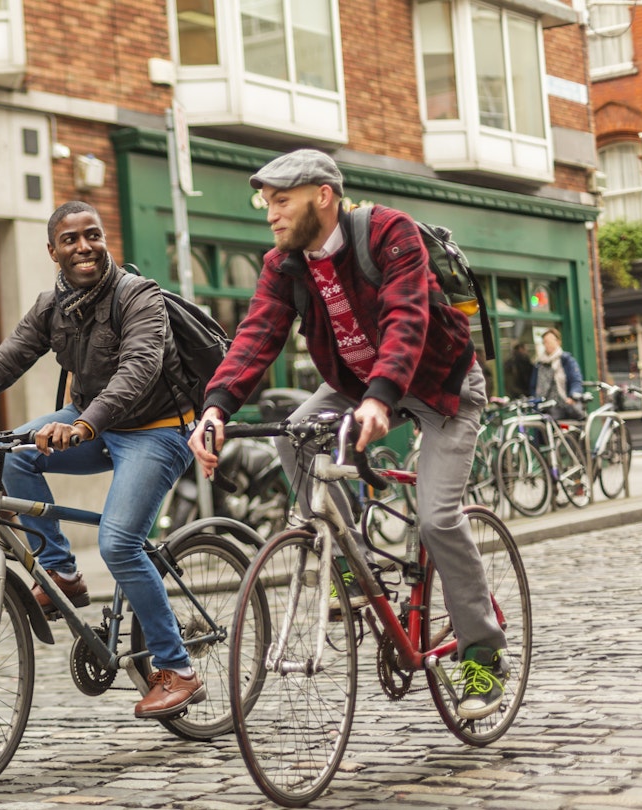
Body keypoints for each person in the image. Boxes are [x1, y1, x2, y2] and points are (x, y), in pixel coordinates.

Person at [186, 149, 510, 720]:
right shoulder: (285, 264)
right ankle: (352, 566)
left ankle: (482, 654)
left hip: (441, 388)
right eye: (267, 203)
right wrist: (214, 408)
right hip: (360, 387)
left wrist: (383, 396)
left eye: (282, 201)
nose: (272, 215)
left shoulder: (388, 232)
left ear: (323, 195)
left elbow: (406, 317)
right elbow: (257, 334)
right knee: (293, 433)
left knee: (437, 519)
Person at [0, 201, 205, 720]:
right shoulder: (53, 305)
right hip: (89, 420)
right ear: (52, 252)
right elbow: (3, 361)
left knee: (119, 542)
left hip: (155, 429)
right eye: (70, 240)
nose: (83, 246)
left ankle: (177, 667)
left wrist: (84, 423)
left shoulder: (138, 296)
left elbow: (138, 368)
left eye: (93, 235)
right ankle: (61, 573)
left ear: (105, 240)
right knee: (15, 453)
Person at [531, 327, 584, 421]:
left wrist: (573, 397)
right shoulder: (539, 364)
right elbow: (533, 386)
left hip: (564, 407)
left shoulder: (566, 360)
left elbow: (576, 380)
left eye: (549, 341)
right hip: (543, 408)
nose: (547, 345)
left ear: (558, 342)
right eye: (545, 342)